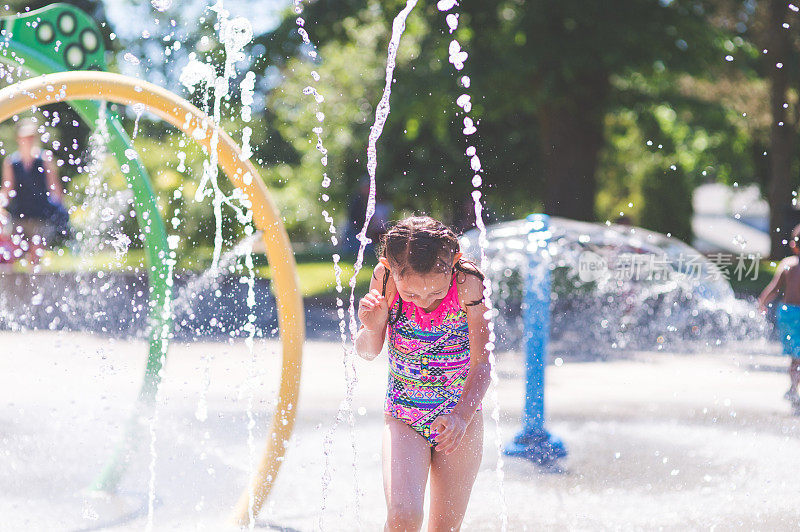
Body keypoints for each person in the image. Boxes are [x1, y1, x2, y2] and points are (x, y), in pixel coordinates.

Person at [355, 215, 492, 531]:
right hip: (405, 417)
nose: (425, 302)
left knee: (445, 528)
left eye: (435, 294)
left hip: (460, 419)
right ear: (389, 266)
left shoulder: (468, 282)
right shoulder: (385, 280)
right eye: (413, 295)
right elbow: (367, 351)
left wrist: (460, 417)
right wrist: (372, 326)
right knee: (403, 517)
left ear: (454, 262)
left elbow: (483, 363)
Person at [0, 119, 64, 265]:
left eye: (31, 137)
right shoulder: (11, 162)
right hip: (19, 214)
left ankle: (35, 285)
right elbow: (7, 189)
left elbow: (54, 186)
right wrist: (1, 206)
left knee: (36, 252)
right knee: (10, 253)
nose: (28, 140)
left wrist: (61, 208)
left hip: (40, 215)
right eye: (25, 137)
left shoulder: (45, 158)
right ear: (19, 139)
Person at [758, 222, 800, 409]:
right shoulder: (788, 265)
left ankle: (793, 387)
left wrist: (762, 302)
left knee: (795, 355)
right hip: (795, 314)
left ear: (793, 245)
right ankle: (793, 388)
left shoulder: (787, 264)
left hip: (788, 314)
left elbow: (774, 288)